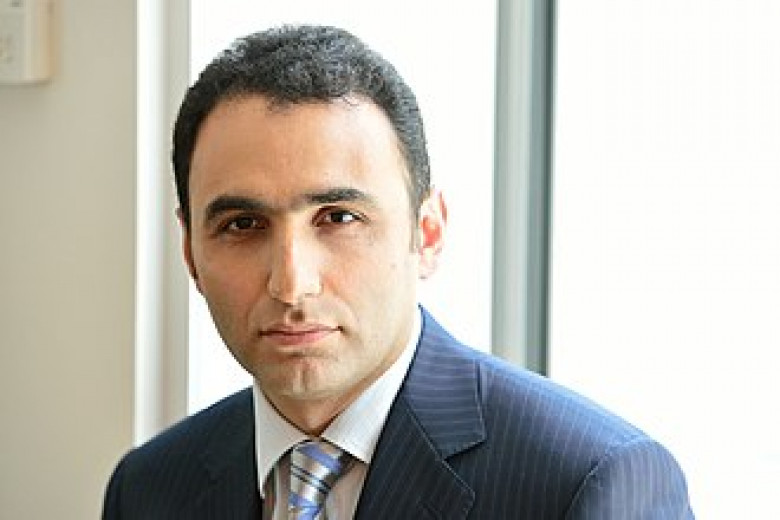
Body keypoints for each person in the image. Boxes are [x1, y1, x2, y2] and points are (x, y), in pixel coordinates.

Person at [102, 24, 694, 519]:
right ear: (190, 253)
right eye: (243, 224)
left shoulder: (590, 483)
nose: (291, 283)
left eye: (338, 217)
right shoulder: (148, 489)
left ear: (426, 233)